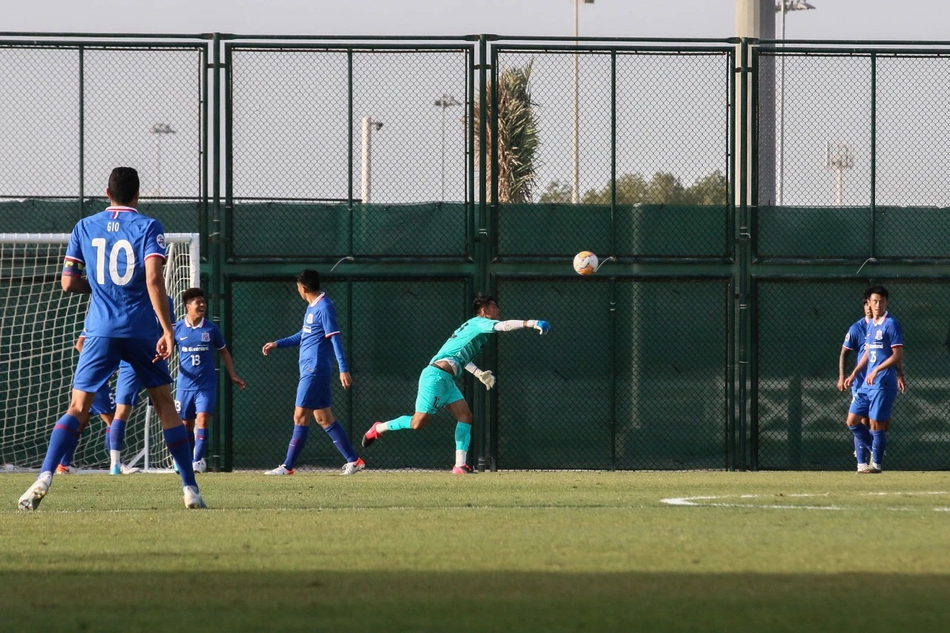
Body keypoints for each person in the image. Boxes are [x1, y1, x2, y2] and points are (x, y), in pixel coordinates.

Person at [18, 167, 206, 510]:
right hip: (141, 330)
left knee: (77, 407)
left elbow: (68, 283)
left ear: (107, 192)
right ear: (138, 194)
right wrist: (167, 329)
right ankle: (190, 490)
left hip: (99, 329)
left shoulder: (84, 227)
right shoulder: (149, 226)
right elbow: (153, 280)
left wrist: (101, 285)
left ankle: (44, 477)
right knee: (165, 404)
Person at [361, 293, 550, 473]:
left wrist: (478, 374)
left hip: (447, 380)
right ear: (484, 310)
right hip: (435, 376)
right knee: (418, 423)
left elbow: (459, 357)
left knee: (466, 417)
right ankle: (378, 428)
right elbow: (504, 326)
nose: (498, 309)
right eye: (493, 306)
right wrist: (531, 323)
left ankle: (460, 466)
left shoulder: (476, 329)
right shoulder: (479, 323)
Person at [261, 269, 361, 476]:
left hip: (314, 370)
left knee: (300, 416)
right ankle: (354, 460)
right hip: (312, 369)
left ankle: (287, 466)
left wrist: (344, 369)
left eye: (298, 287)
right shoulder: (312, 307)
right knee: (324, 418)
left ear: (303, 287)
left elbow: (335, 338)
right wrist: (277, 344)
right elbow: (304, 334)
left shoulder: (324, 307)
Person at [174, 287, 246, 473]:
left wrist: (233, 374)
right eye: (198, 302)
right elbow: (164, 351)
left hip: (206, 385)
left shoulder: (211, 329)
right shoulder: (177, 329)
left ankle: (197, 461)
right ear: (187, 306)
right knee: (186, 425)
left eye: (203, 301)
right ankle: (187, 460)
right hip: (184, 386)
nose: (202, 305)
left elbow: (224, 352)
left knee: (203, 419)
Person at [838, 292, 904, 470]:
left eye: (881, 301)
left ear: (886, 302)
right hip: (865, 383)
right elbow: (867, 353)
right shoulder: (869, 326)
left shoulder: (891, 324)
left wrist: (883, 371)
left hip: (882, 382)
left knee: (876, 424)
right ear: (867, 303)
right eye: (874, 301)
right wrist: (853, 373)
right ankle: (873, 452)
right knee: (853, 421)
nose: (877, 305)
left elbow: (897, 354)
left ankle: (875, 464)